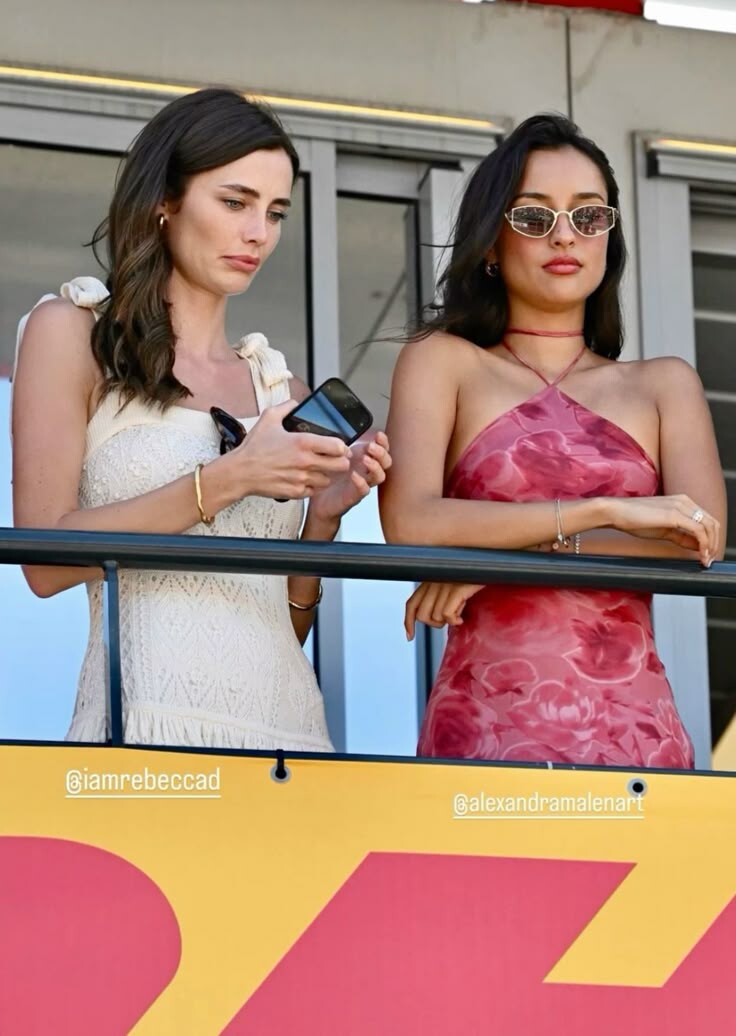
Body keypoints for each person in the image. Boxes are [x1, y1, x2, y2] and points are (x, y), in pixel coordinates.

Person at [11, 87, 391, 751]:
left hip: (290, 739)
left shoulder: (279, 391)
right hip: (144, 729)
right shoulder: (72, 333)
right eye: (236, 202)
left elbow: (281, 627)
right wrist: (230, 478)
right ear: (166, 199)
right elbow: (43, 562)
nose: (259, 233)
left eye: (275, 212)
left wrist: (322, 522)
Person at [379, 113, 725, 769]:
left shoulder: (664, 384)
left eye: (588, 216)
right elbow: (410, 522)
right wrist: (606, 512)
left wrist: (500, 555)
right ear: (491, 242)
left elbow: (698, 539)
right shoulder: (442, 361)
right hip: (483, 727)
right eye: (534, 217)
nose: (565, 235)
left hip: (634, 735)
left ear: (609, 240)